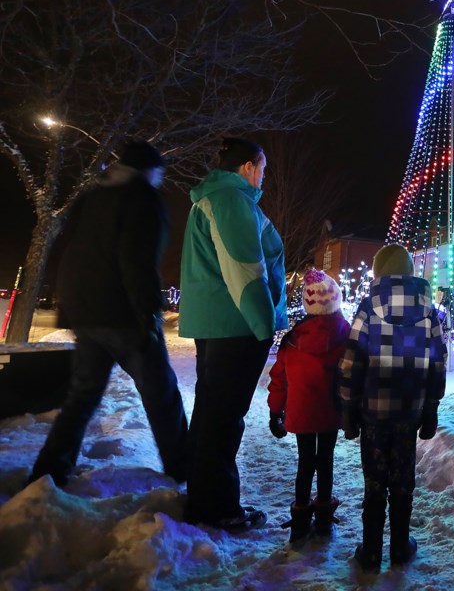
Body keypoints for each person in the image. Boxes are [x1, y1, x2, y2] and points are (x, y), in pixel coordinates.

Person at [30, 141, 188, 487]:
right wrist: (148, 314)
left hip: (87, 315)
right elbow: (138, 262)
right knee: (161, 392)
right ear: (148, 171)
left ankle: (48, 472)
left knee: (82, 396)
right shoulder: (143, 199)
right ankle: (183, 468)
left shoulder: (91, 198)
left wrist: (69, 310)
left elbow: (67, 254)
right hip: (123, 316)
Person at [178, 136, 287, 533]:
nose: (263, 179)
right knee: (224, 418)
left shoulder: (212, 200)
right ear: (247, 167)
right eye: (262, 169)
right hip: (235, 326)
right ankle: (220, 507)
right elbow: (245, 269)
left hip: (216, 324)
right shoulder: (232, 202)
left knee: (211, 413)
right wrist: (265, 326)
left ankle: (204, 499)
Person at [339, 243, 447, 573]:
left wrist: (348, 406)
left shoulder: (369, 306)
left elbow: (351, 361)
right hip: (409, 411)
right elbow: (438, 362)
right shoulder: (428, 310)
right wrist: (431, 406)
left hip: (373, 409)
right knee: (403, 480)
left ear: (378, 271)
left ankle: (371, 550)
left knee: (374, 482)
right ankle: (400, 546)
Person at [267, 268, 350, 543]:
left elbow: (279, 378)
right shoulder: (346, 334)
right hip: (331, 411)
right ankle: (324, 519)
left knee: (305, 462)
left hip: (302, 413)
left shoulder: (293, 339)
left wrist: (275, 411)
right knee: (325, 460)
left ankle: (301, 520)